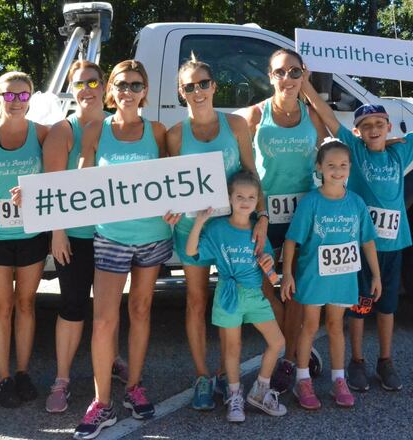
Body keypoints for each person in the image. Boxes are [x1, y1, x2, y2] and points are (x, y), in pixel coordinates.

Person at [302, 73, 413, 393]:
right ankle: (358, 361)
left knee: (388, 306)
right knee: (360, 306)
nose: (374, 130)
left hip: (393, 244)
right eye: (367, 126)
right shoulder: (354, 151)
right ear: (358, 132)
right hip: (361, 245)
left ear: (388, 127)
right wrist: (306, 84)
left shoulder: (399, 153)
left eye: (379, 124)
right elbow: (328, 115)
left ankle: (386, 360)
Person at [73, 60, 176, 440]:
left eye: (135, 84)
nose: (128, 91)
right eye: (121, 84)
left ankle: (134, 385)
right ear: (110, 89)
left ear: (145, 90)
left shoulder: (158, 131)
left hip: (152, 235)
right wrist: (38, 198)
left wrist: (176, 203)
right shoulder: (97, 129)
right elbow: (80, 179)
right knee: (103, 320)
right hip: (112, 236)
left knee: (141, 309)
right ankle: (102, 403)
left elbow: (175, 179)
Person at [166, 54, 266, 411]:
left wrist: (263, 216)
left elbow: (252, 174)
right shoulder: (176, 135)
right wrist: (171, 206)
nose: (198, 91)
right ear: (181, 92)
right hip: (193, 229)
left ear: (214, 86)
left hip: (232, 230)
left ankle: (228, 375)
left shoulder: (236, 125)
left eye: (203, 83)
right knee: (195, 300)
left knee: (231, 298)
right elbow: (168, 186)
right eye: (190, 86)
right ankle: (202, 376)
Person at [39, 60, 129, 414]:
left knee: (110, 308)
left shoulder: (119, 123)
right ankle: (61, 380)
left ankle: (114, 359)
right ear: (72, 89)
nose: (87, 89)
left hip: (114, 234)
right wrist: (57, 234)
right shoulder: (64, 130)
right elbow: (52, 188)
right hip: (75, 237)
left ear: (103, 84)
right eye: (80, 84)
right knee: (73, 305)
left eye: (93, 82)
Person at [238, 48, 326, 394]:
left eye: (295, 72)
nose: (287, 79)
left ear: (303, 74)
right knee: (264, 288)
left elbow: (338, 150)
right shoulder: (255, 115)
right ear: (269, 75)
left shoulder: (313, 116)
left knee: (296, 294)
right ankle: (290, 348)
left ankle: (288, 360)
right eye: (280, 72)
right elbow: (239, 163)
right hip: (264, 216)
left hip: (303, 215)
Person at [280, 139, 380, 409]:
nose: (338, 171)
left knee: (337, 326)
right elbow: (292, 240)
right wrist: (287, 274)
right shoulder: (312, 202)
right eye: (331, 165)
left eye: (343, 165)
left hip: (343, 277)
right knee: (310, 326)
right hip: (314, 275)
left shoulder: (356, 203)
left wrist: (376, 275)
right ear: (320, 168)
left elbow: (368, 241)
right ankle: (303, 379)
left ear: (350, 168)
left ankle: (339, 379)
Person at [185, 170, 286, 423]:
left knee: (277, 342)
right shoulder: (218, 228)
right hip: (229, 295)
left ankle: (260, 390)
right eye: (239, 196)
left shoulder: (258, 231)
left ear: (257, 201)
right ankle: (234, 395)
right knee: (233, 347)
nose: (245, 201)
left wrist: (268, 267)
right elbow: (191, 251)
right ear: (229, 198)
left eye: (251, 197)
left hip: (254, 296)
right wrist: (199, 221)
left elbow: (273, 278)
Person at [0, 72, 50, 408]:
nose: (16, 101)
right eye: (9, 95)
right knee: (2, 307)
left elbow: (60, 176)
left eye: (23, 95)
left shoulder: (43, 134)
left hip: (32, 234)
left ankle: (22, 372)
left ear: (31, 97)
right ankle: (3, 377)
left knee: (26, 304)